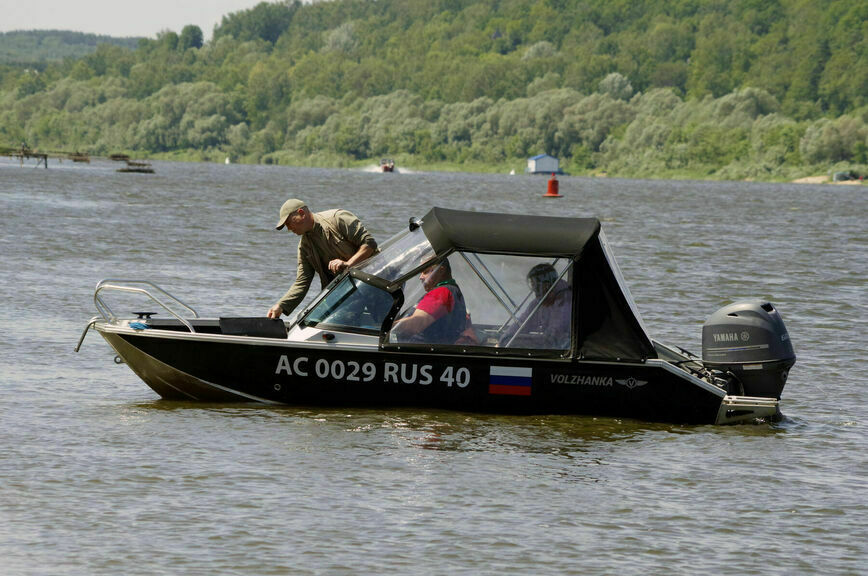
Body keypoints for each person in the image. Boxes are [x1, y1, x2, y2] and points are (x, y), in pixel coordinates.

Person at [267, 199, 377, 319]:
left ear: (301, 213)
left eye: (288, 223)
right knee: (318, 319)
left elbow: (369, 244)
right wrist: (281, 305)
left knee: (386, 321)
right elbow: (302, 282)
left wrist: (348, 264)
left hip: (375, 282)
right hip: (344, 292)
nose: (289, 229)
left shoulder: (338, 218)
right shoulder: (304, 247)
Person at [391, 259, 468, 344]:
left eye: (425, 272)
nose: (421, 277)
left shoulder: (441, 292)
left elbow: (416, 324)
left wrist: (386, 327)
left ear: (441, 271)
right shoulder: (453, 291)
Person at [499, 263, 571, 349]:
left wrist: (514, 342)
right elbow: (523, 322)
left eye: (536, 286)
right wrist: (505, 339)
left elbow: (553, 338)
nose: (534, 290)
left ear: (547, 285)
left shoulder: (565, 301)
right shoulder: (540, 301)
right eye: (532, 286)